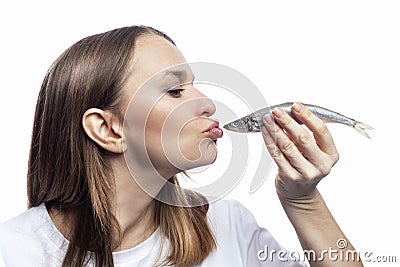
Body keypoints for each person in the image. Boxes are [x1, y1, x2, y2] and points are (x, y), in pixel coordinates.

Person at [0, 25, 363, 267]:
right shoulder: (13, 251)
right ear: (108, 129)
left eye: (194, 86)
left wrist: (303, 201)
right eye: (175, 90)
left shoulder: (225, 225)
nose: (208, 104)